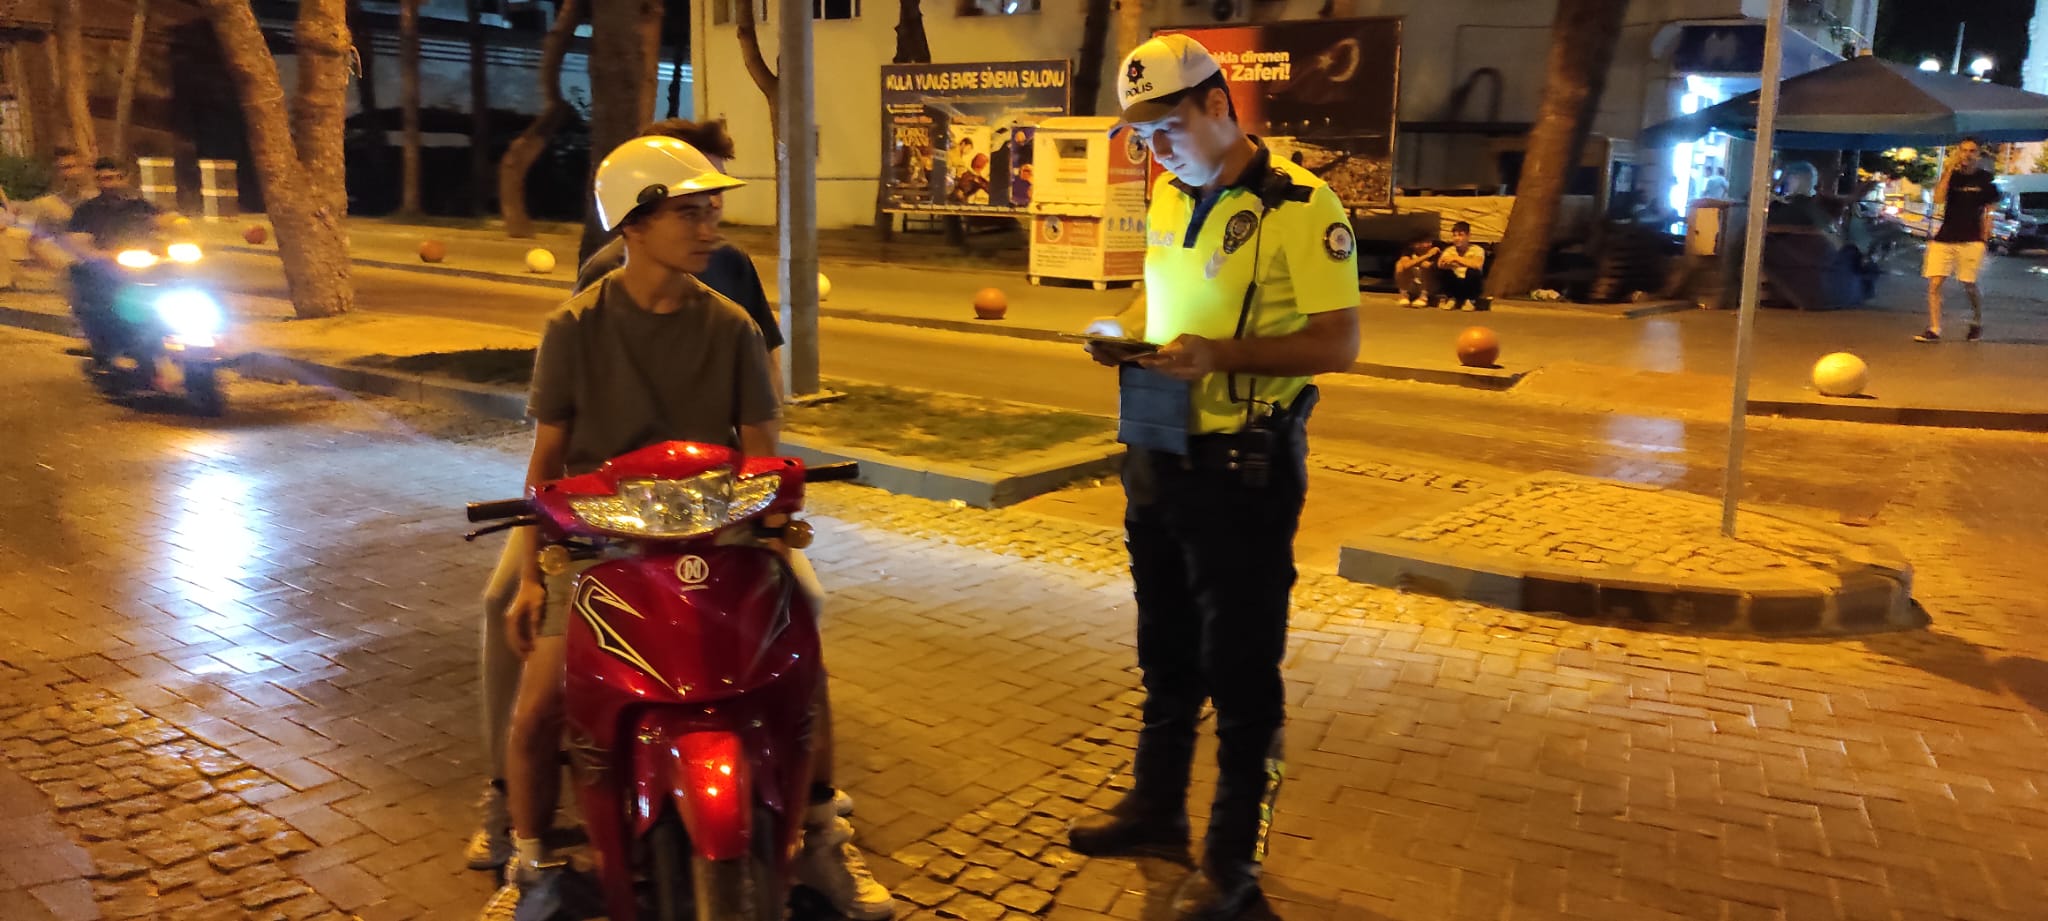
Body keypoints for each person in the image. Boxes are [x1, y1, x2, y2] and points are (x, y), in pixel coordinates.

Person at [477, 136, 895, 921]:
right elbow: (548, 457)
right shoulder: (574, 326)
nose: (710, 229)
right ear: (633, 224)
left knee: (803, 655)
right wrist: (534, 569)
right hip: (602, 537)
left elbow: (762, 452)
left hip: (717, 533)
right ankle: (527, 854)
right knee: (539, 699)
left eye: (713, 212)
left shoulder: (732, 325)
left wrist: (777, 530)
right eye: (690, 213)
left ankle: (822, 833)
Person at [1072, 34, 1359, 921]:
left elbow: (1339, 341)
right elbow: (1160, 296)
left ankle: (1235, 860)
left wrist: (1219, 355)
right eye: (1141, 138)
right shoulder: (1169, 194)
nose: (1155, 152)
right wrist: (1123, 331)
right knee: (1165, 648)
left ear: (1217, 104)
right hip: (1158, 449)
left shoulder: (1300, 205)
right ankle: (1157, 808)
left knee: (1241, 670)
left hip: (1244, 466)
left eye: (1166, 130)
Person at [65, 158, 165, 370]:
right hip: (108, 272)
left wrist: (182, 232)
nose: (108, 184)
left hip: (146, 271)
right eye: (102, 179)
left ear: (125, 178)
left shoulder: (142, 207)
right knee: (100, 300)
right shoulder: (87, 211)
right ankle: (108, 348)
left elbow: (167, 223)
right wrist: (99, 255)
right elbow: (79, 242)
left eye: (113, 178)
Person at [1917, 139, 1998, 342]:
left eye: (1972, 151)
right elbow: (1938, 198)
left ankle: (1977, 321)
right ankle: (1934, 328)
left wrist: (1985, 238)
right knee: (1935, 283)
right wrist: (1948, 170)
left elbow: (1990, 211)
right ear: (1958, 152)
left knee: (1969, 284)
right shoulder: (1951, 176)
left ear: (1978, 155)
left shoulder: (1984, 179)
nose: (1967, 154)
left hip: (1971, 239)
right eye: (1963, 150)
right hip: (1945, 237)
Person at [18, 147, 95, 268]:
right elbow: (33, 242)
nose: (68, 174)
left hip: (98, 263)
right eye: (62, 168)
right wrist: (58, 264)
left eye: (72, 167)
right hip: (64, 264)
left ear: (84, 169)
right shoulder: (45, 205)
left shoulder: (98, 201)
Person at [1435, 221, 1487, 311]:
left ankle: (1470, 301)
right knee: (1444, 272)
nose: (1457, 238)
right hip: (1456, 283)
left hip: (1469, 284)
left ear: (1468, 236)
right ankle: (1451, 298)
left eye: (1460, 235)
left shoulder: (1477, 250)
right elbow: (1440, 264)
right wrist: (1462, 262)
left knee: (1473, 271)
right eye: (1454, 235)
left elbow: (1477, 264)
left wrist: (1456, 259)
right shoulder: (1449, 250)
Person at [1393, 232, 1439, 307]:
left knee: (1425, 265)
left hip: (1430, 287)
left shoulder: (1435, 252)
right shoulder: (1409, 252)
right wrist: (1427, 255)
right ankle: (1404, 295)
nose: (1430, 244)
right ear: (1416, 245)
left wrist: (1428, 256)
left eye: (1430, 242)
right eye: (1426, 242)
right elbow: (1406, 265)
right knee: (1399, 265)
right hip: (1414, 284)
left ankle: (1424, 297)